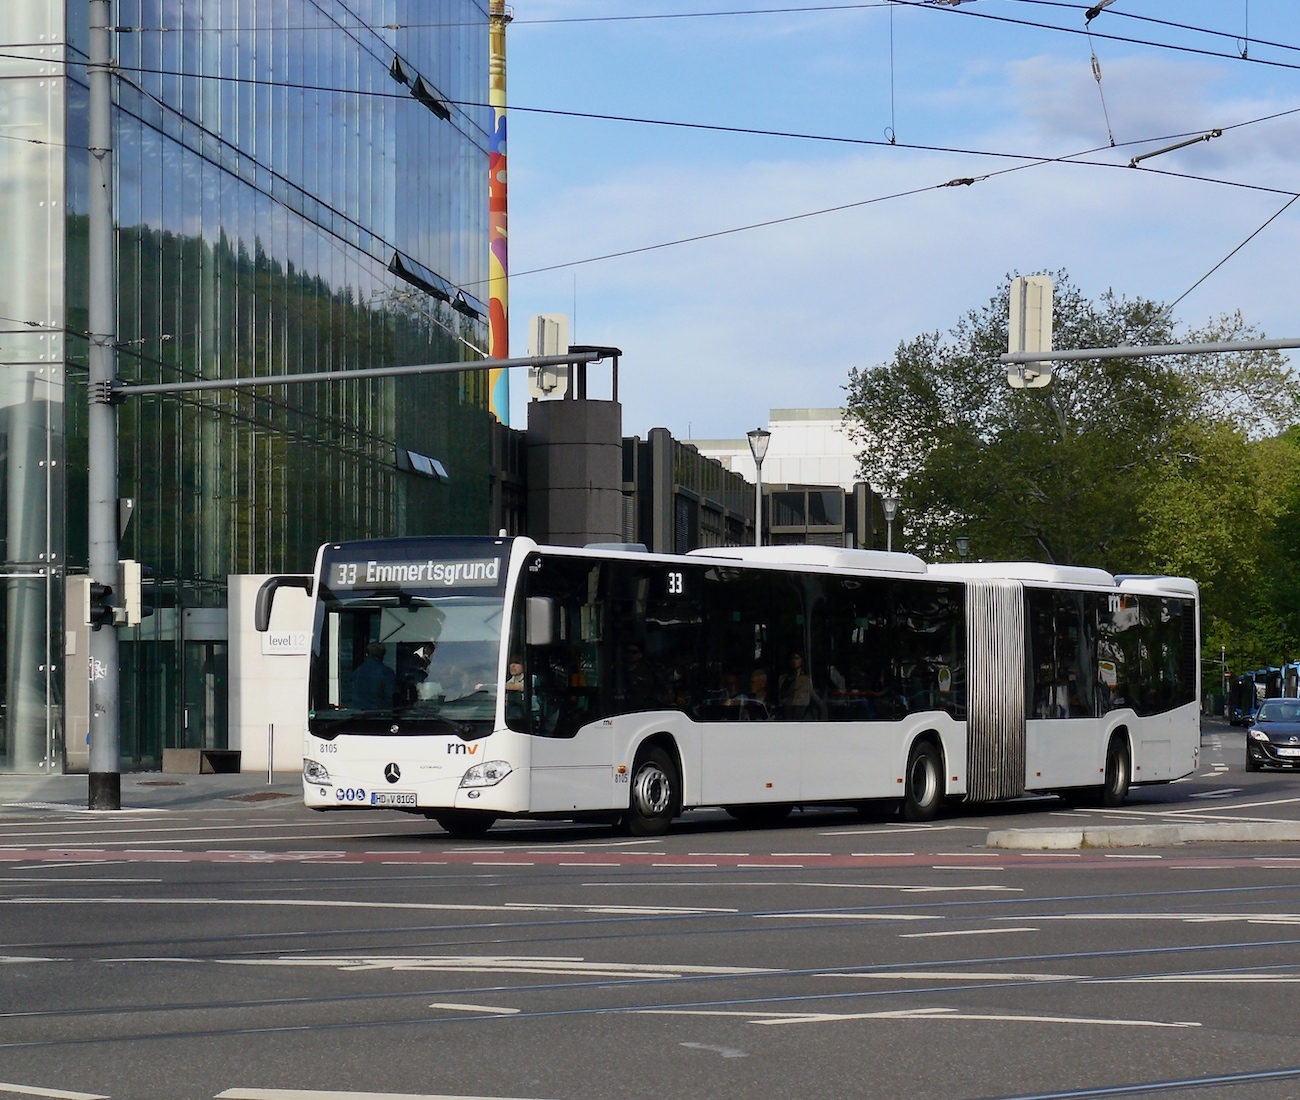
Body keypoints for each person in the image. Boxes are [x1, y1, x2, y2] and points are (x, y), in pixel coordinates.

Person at [351, 642, 397, 711]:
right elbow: (392, 696)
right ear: (383, 655)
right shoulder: (386, 672)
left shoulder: (357, 672)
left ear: (366, 654)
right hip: (379, 712)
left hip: (357, 712)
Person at [779, 652, 813, 719]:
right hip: (787, 709)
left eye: (796, 658)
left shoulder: (806, 678)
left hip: (802, 710)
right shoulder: (783, 678)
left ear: (802, 661)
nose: (793, 661)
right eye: (791, 658)